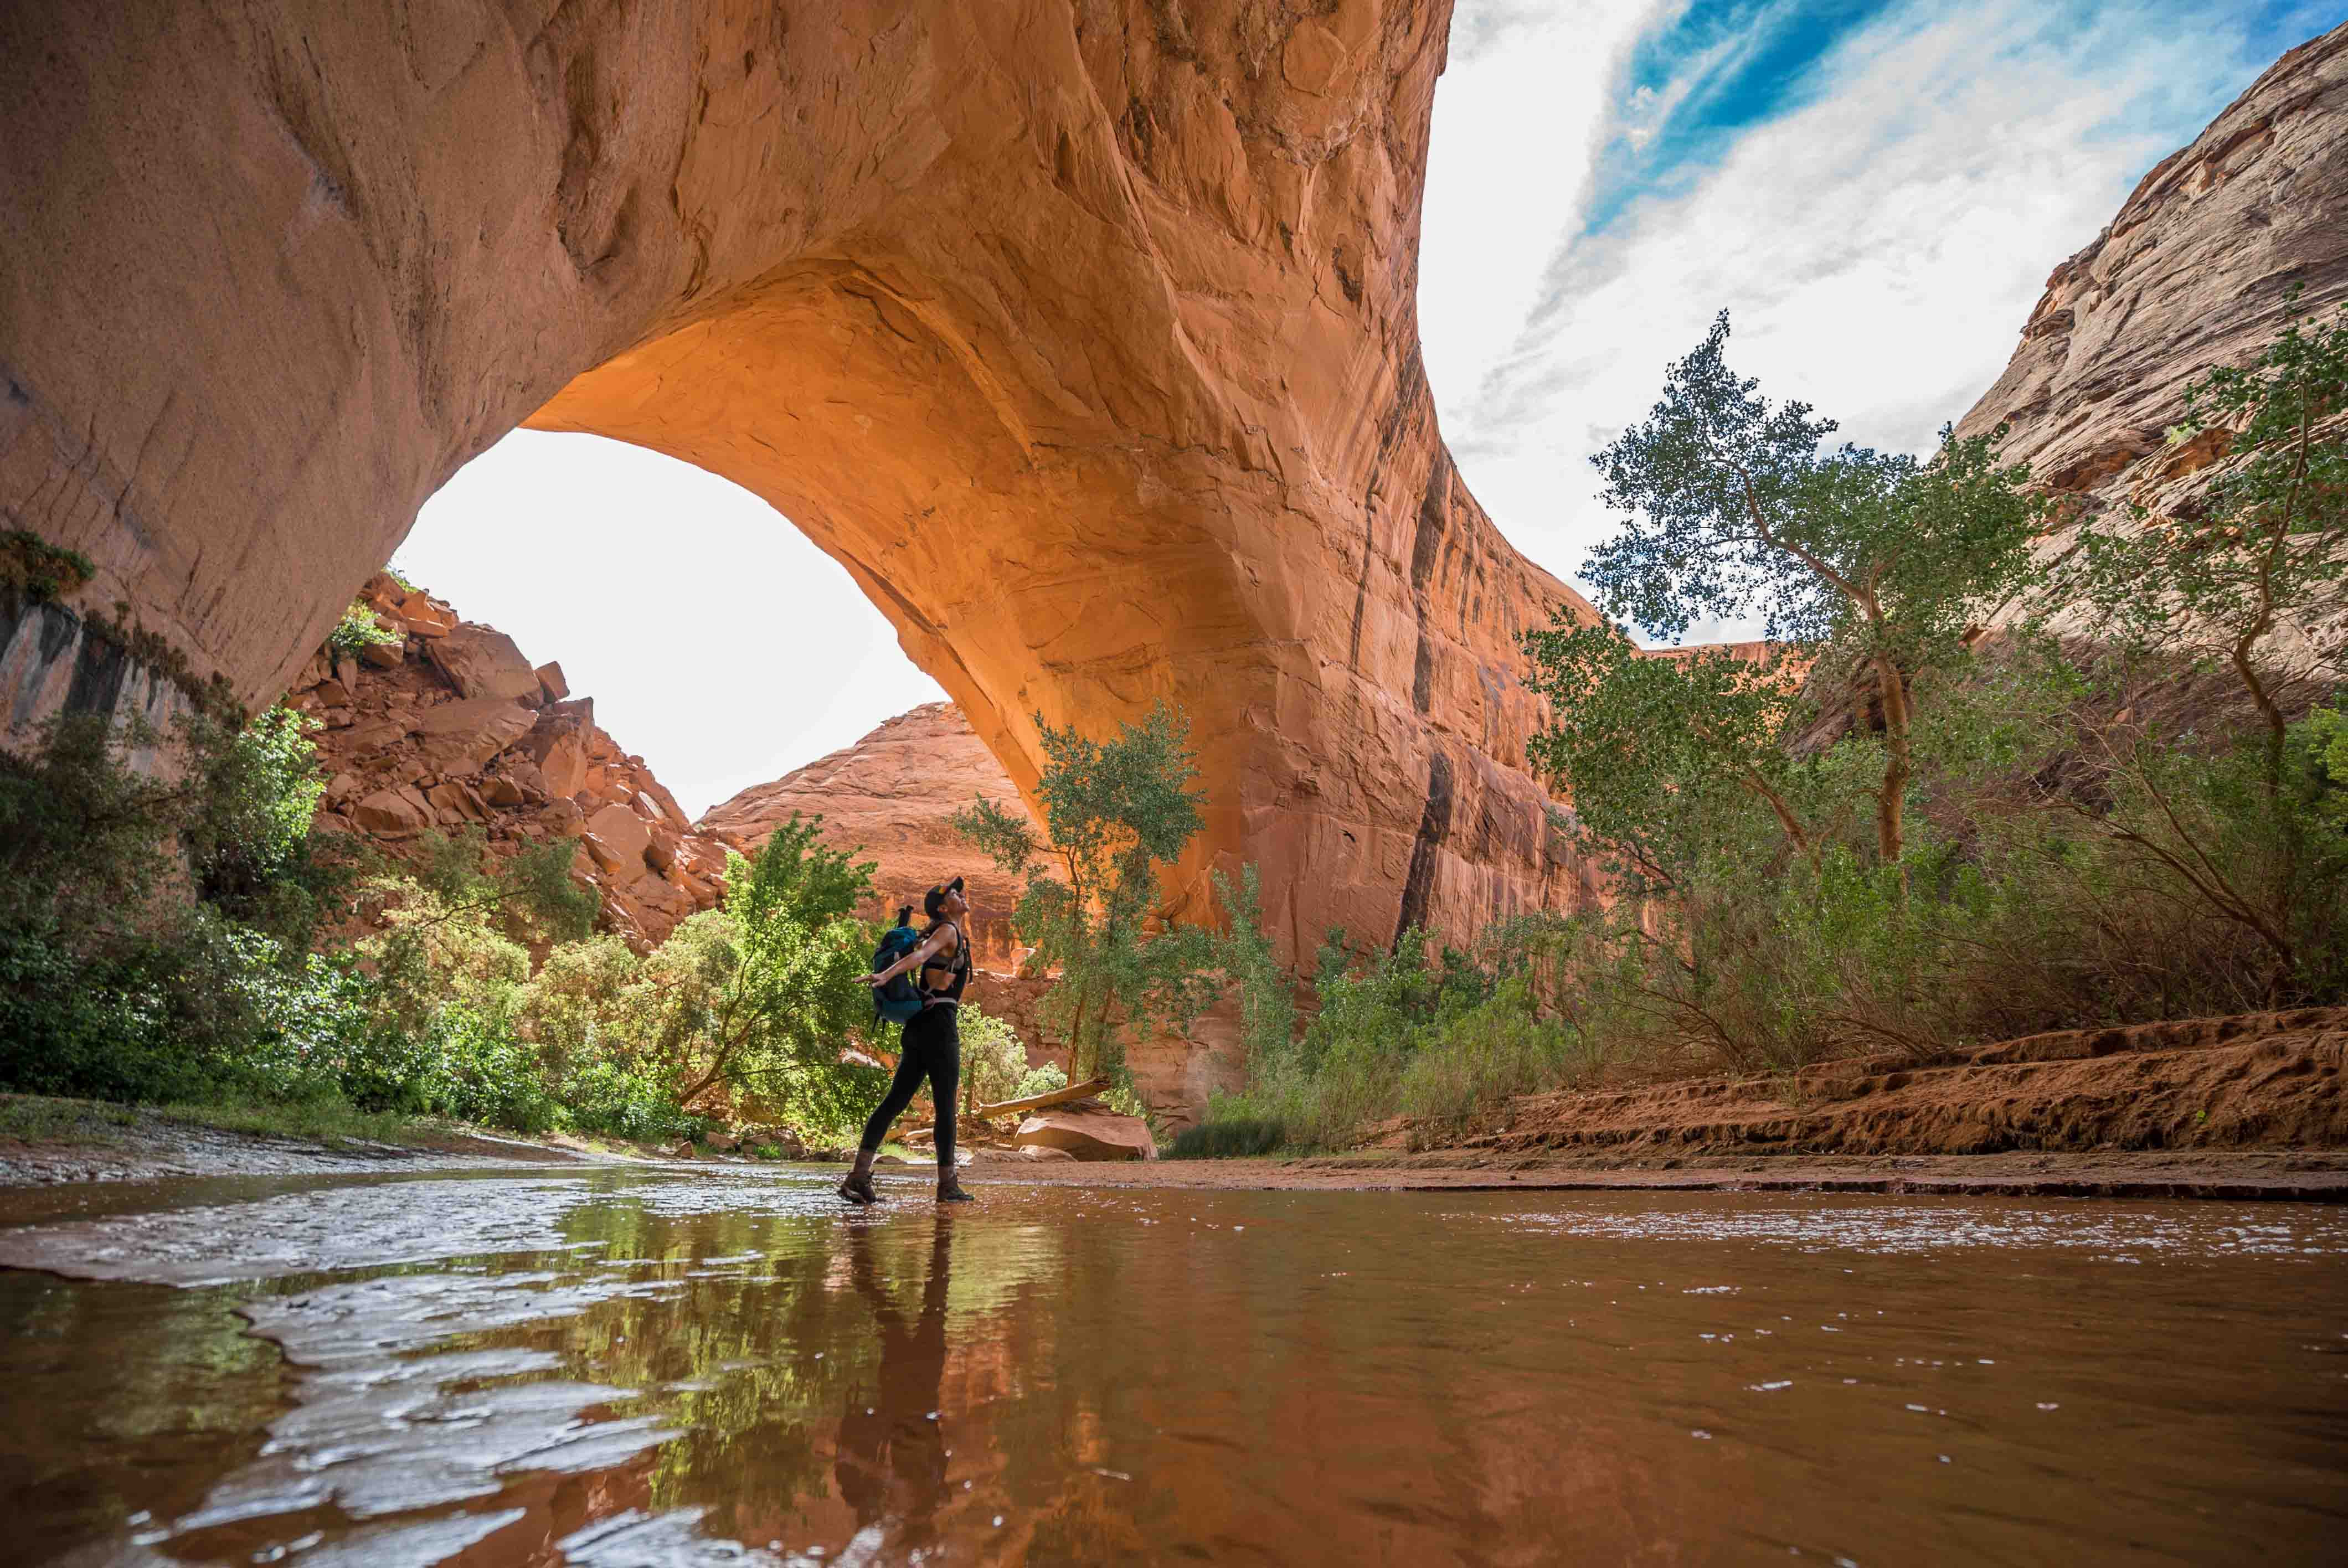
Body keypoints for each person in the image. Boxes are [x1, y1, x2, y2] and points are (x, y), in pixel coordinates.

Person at [844, 875, 976, 1204]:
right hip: (940, 1028)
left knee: (894, 1101)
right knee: (946, 1108)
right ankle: (948, 1186)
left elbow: (923, 959)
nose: (961, 896)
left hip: (918, 1027)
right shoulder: (947, 931)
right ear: (944, 908)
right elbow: (921, 957)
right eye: (955, 895)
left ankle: (858, 1177)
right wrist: (886, 975)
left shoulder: (946, 931)